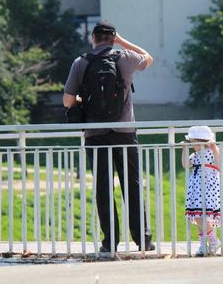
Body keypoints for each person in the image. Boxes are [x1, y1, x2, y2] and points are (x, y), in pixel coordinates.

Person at [63, 21, 155, 252]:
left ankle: (110, 242)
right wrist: (121, 41)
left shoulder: (81, 62)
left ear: (93, 38)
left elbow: (67, 101)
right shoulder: (125, 58)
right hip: (124, 131)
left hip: (95, 133)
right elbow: (149, 57)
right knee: (131, 184)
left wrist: (86, 101)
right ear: (112, 39)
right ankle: (143, 240)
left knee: (103, 187)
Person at [181, 126, 223, 256]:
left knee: (202, 216)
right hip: (197, 188)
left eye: (193, 142)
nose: (192, 145)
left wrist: (215, 148)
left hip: (209, 187)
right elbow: (186, 164)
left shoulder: (211, 151)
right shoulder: (196, 155)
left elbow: (219, 163)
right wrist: (184, 150)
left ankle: (213, 240)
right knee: (199, 215)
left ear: (201, 141)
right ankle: (203, 245)